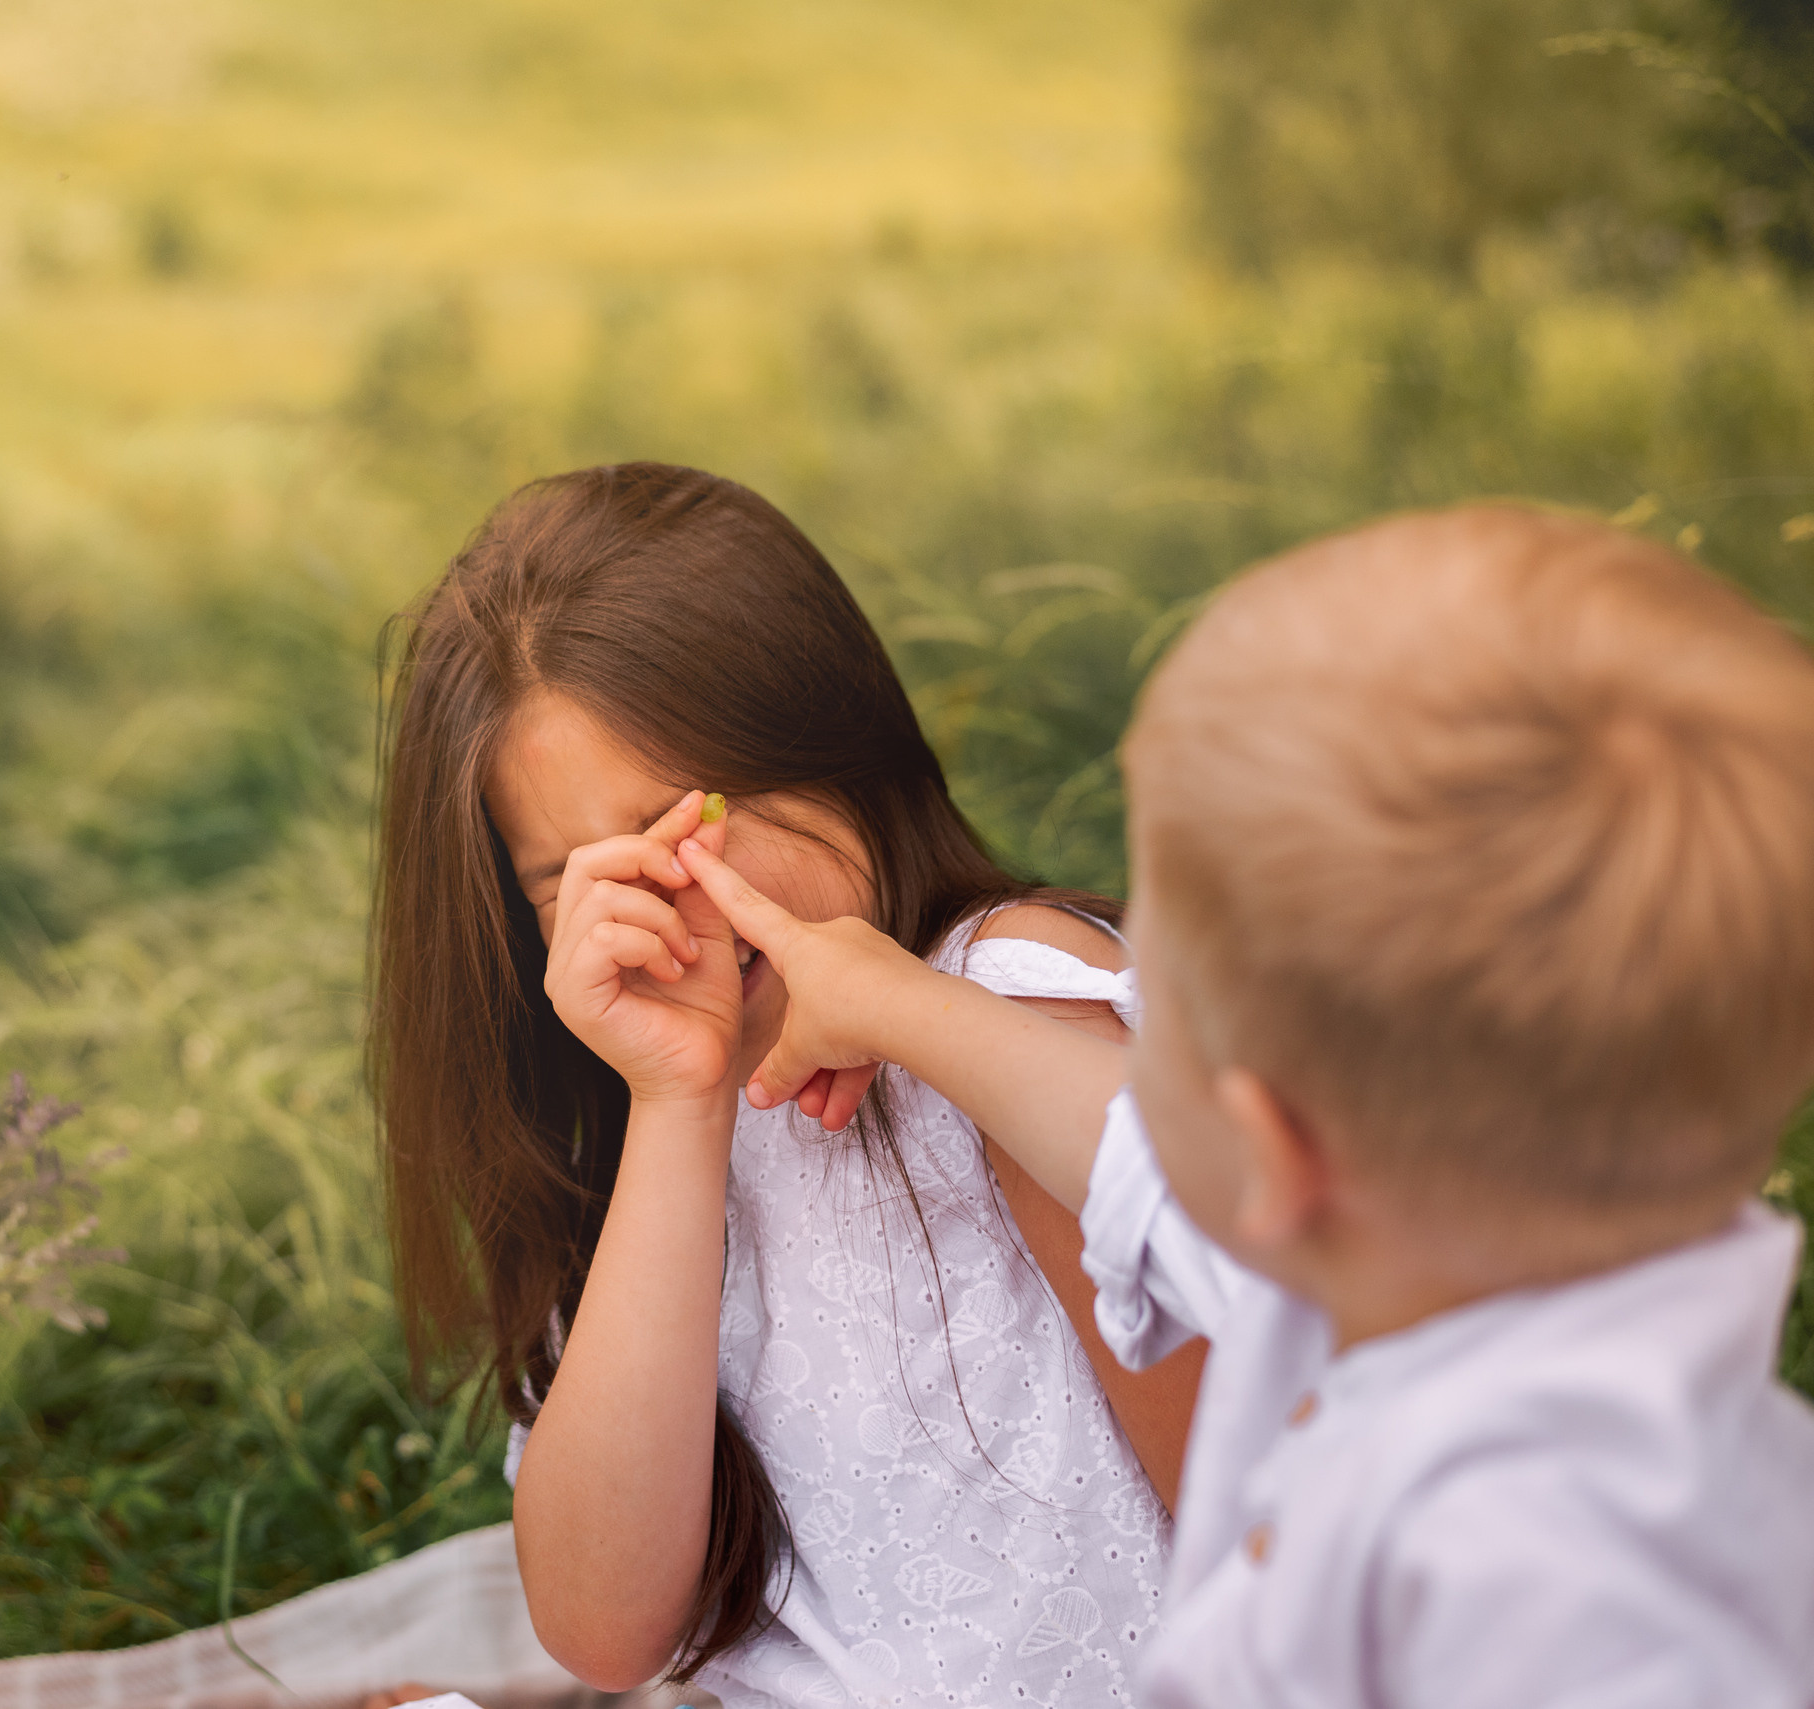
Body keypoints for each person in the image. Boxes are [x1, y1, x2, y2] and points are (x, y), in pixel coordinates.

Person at [678, 505, 1814, 1707]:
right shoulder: (1382, 1254)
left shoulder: (1569, 1587)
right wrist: (897, 1002)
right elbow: (1120, 1145)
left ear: (1268, 1144)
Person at [370, 462, 1204, 1707]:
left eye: (686, 818)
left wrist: (910, 1014)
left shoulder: (1005, 1009)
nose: (663, 909)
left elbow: (1266, 1506)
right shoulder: (628, 1119)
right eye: (571, 885)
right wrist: (677, 1103)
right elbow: (605, 1629)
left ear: (823, 743)